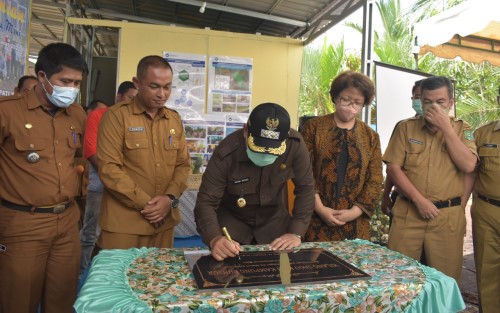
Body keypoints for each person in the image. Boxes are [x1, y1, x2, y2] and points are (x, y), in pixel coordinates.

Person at [0, 43, 88, 313]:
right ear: (42, 77)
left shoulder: (76, 114)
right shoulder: (8, 111)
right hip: (23, 224)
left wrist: (79, 212)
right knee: (18, 302)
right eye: (65, 81)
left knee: (62, 301)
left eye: (77, 83)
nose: (71, 89)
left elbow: (79, 163)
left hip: (66, 223)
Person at [383, 76, 478, 283]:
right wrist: (419, 200)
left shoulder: (463, 129)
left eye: (440, 102)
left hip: (446, 217)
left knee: (445, 281)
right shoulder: (406, 128)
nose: (433, 107)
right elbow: (393, 167)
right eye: (427, 102)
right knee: (399, 279)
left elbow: (469, 165)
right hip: (409, 211)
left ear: (451, 103)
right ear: (420, 101)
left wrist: (447, 129)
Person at [194, 102, 316, 261]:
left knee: (278, 280)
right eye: (258, 146)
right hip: (232, 229)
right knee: (229, 279)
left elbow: (306, 189)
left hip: (275, 227)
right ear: (246, 131)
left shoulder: (295, 145)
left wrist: (296, 232)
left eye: (272, 150)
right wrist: (215, 238)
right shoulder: (227, 152)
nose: (265, 154)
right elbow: (206, 201)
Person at [96, 56, 190, 249]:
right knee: (119, 278)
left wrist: (169, 199)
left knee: (161, 278)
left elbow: (182, 165)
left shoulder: (173, 120)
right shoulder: (116, 116)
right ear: (137, 83)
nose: (162, 94)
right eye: (154, 86)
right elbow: (109, 169)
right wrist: (148, 206)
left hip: (164, 223)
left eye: (167, 87)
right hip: (125, 225)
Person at [300, 71, 382, 242]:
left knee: (353, 268)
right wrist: (321, 209)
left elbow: (374, 179)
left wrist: (354, 212)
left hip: (355, 224)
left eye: (357, 102)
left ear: (363, 104)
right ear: (335, 98)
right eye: (345, 99)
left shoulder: (370, 136)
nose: (350, 106)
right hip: (315, 218)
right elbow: (303, 172)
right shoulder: (313, 128)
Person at [465, 93, 500, 312]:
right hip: (487, 211)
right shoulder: (482, 133)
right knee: (487, 271)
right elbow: (470, 174)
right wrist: (460, 208)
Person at [381, 79, 423, 216]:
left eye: (426, 98)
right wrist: (386, 194)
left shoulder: (454, 130)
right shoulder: (403, 127)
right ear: (412, 99)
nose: (422, 101)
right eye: (417, 97)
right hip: (404, 202)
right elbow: (393, 167)